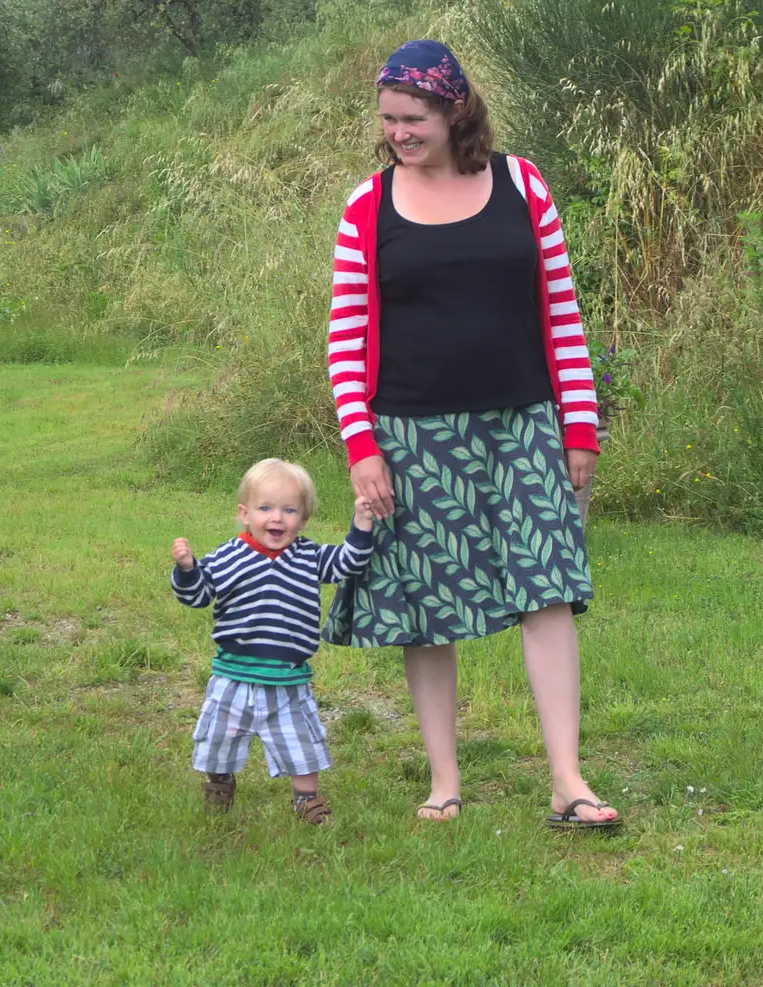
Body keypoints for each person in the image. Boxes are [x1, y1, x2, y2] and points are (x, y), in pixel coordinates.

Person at [320, 40, 621, 829]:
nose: (398, 133)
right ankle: (445, 779)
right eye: (388, 120)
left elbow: (562, 313)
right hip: (410, 437)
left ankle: (567, 779)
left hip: (524, 425)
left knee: (547, 588)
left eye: (412, 118)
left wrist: (579, 424)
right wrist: (362, 449)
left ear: (456, 109)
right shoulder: (367, 206)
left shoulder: (523, 185)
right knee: (426, 609)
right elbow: (346, 340)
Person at [171, 458, 375, 825]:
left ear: (304, 519)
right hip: (233, 674)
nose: (276, 518)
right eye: (265, 508)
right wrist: (187, 570)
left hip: (288, 679)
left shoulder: (310, 557)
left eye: (289, 510)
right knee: (219, 739)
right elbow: (199, 595)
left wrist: (361, 525)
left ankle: (306, 799)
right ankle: (219, 784)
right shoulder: (228, 557)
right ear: (245, 513)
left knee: (300, 742)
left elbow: (349, 563)